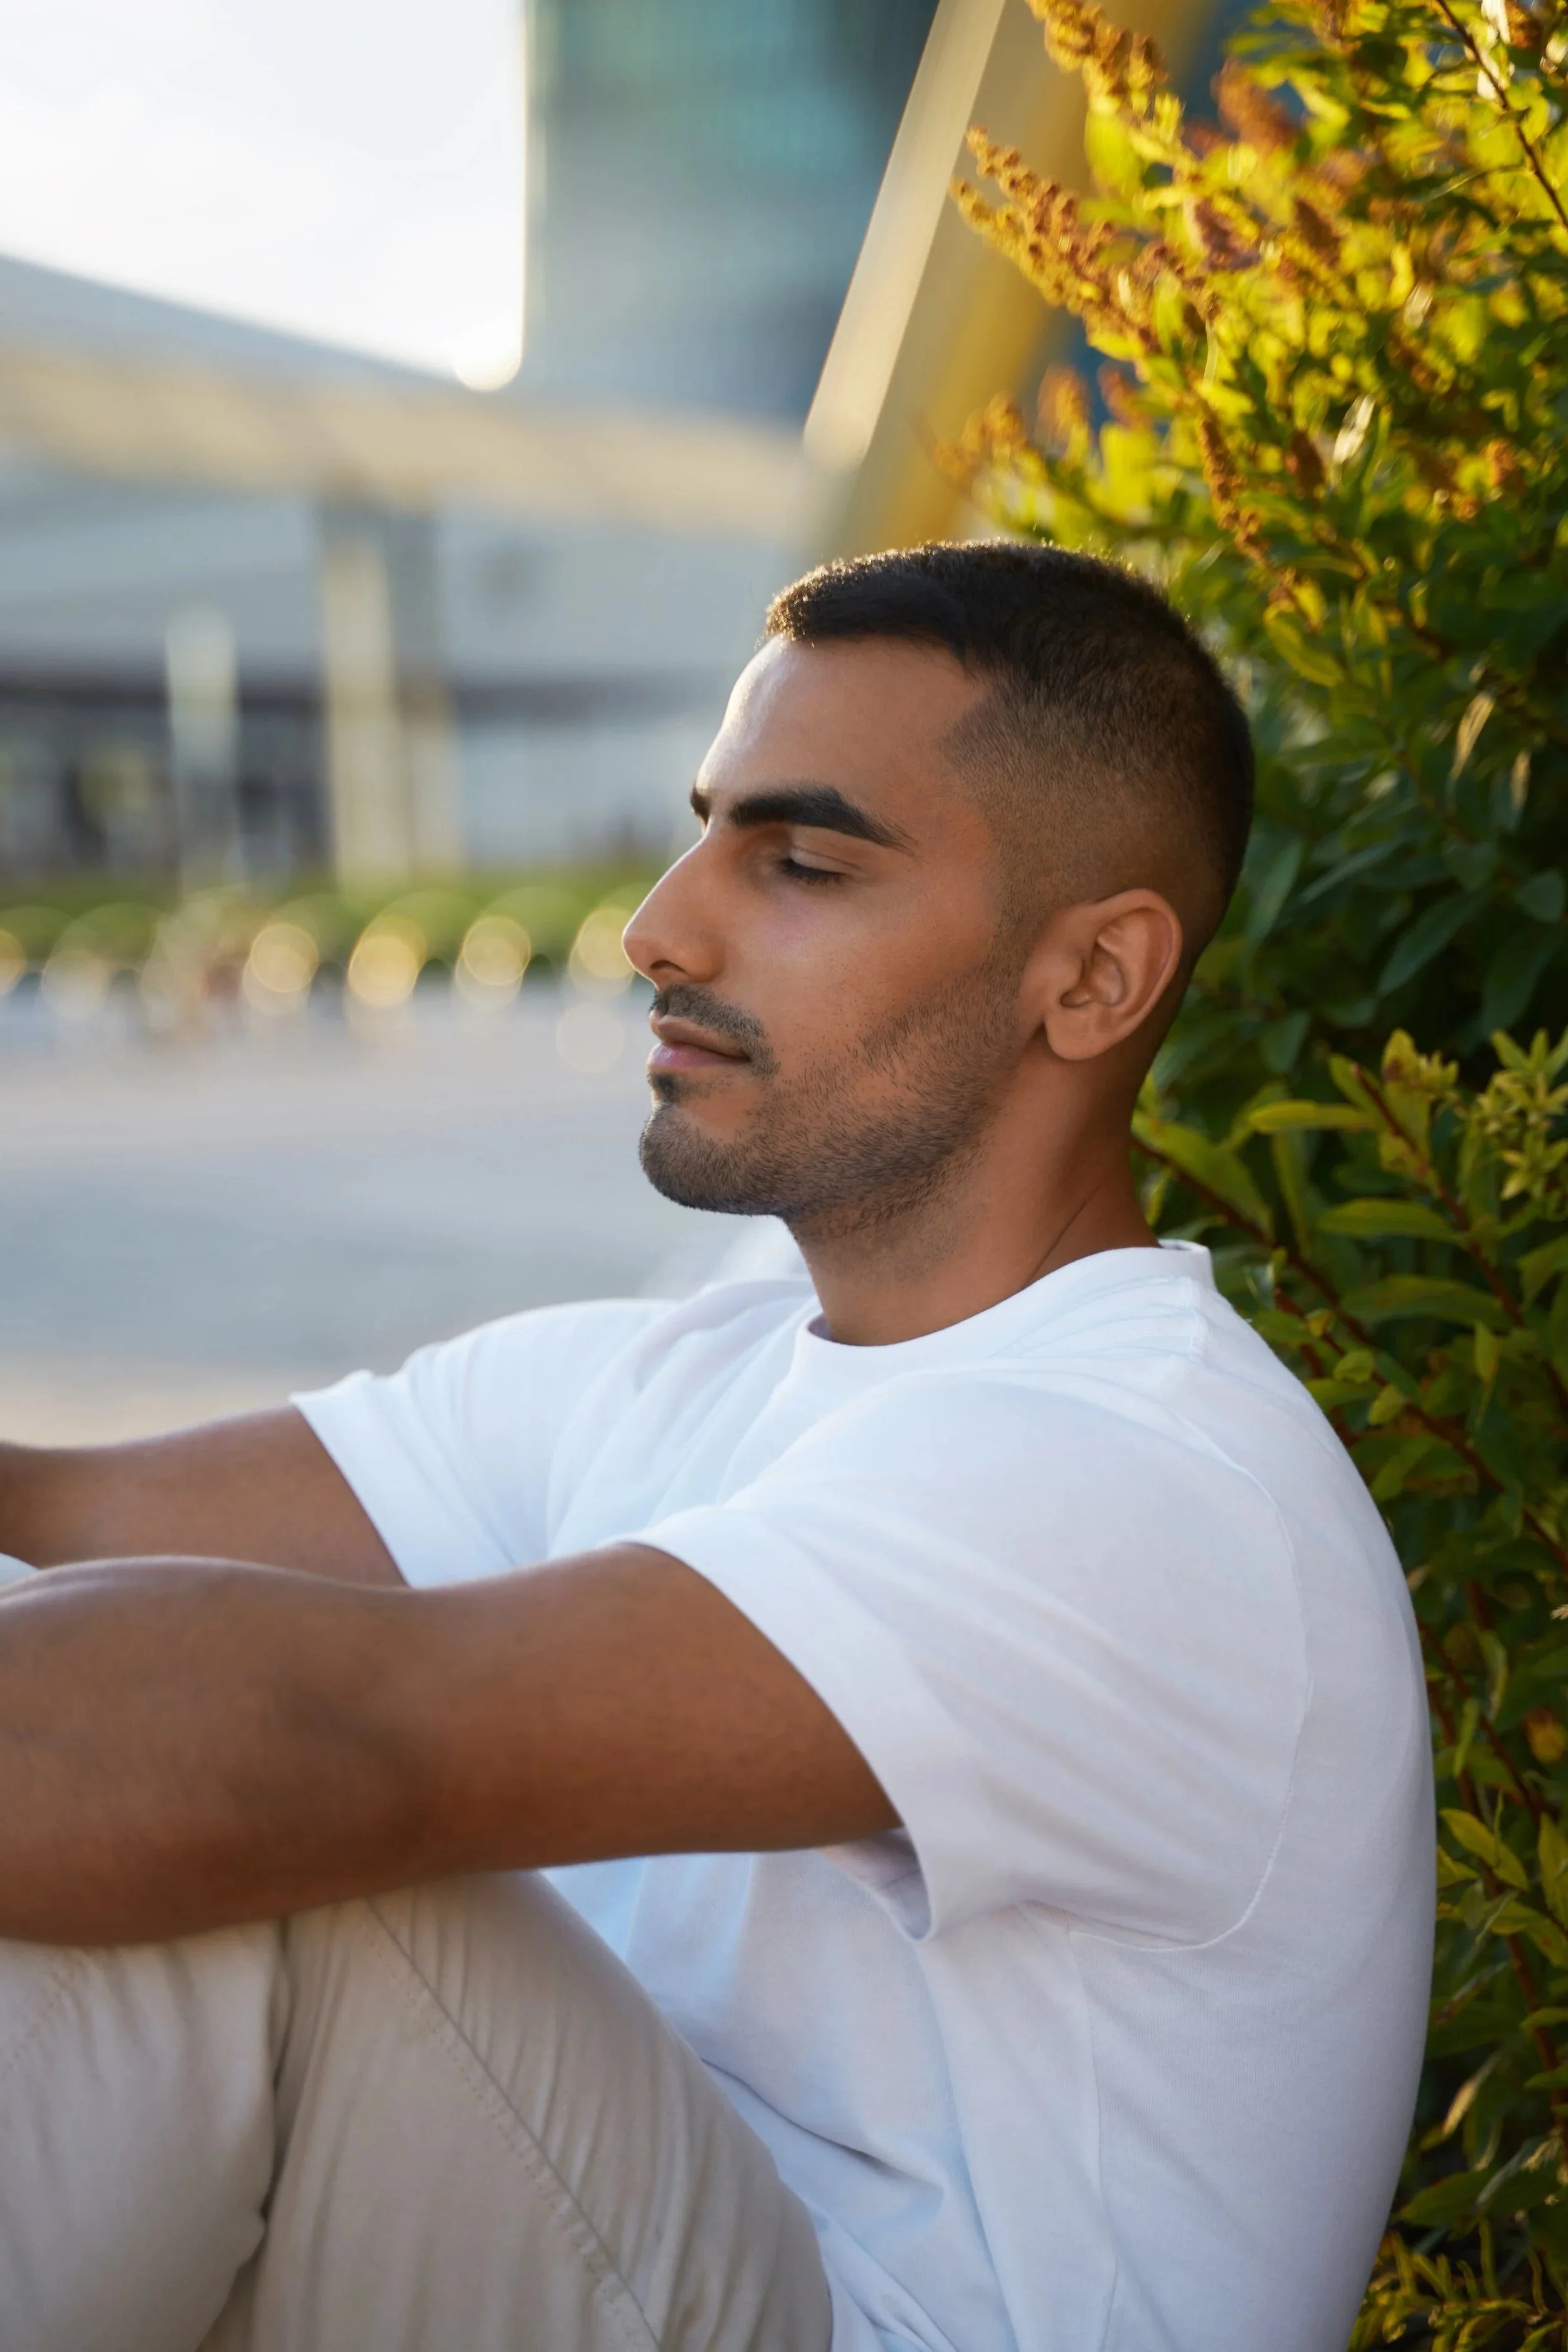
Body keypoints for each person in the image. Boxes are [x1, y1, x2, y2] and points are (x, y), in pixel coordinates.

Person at [0, 542, 1433, 2352]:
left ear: (1088, 981)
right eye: (703, 831)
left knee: (225, 1877)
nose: (658, 926)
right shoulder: (700, 1361)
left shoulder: (1136, 1479)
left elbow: (322, 1744)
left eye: (802, 861)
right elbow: (63, 1515)